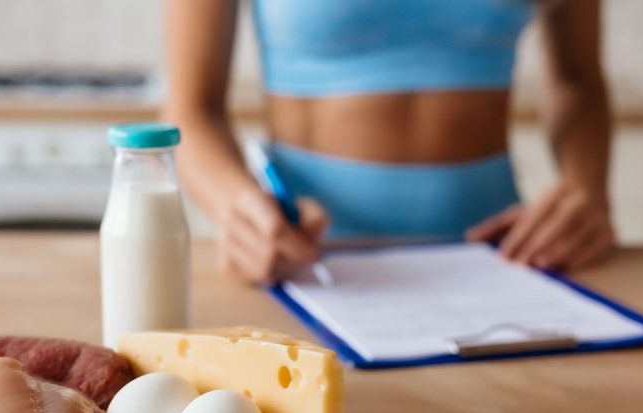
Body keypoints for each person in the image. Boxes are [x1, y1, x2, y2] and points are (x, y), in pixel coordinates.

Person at [164, 0, 614, 284]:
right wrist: (236, 208)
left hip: (503, 262)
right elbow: (190, 108)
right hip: (308, 269)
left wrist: (587, 190)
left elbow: (579, 83)